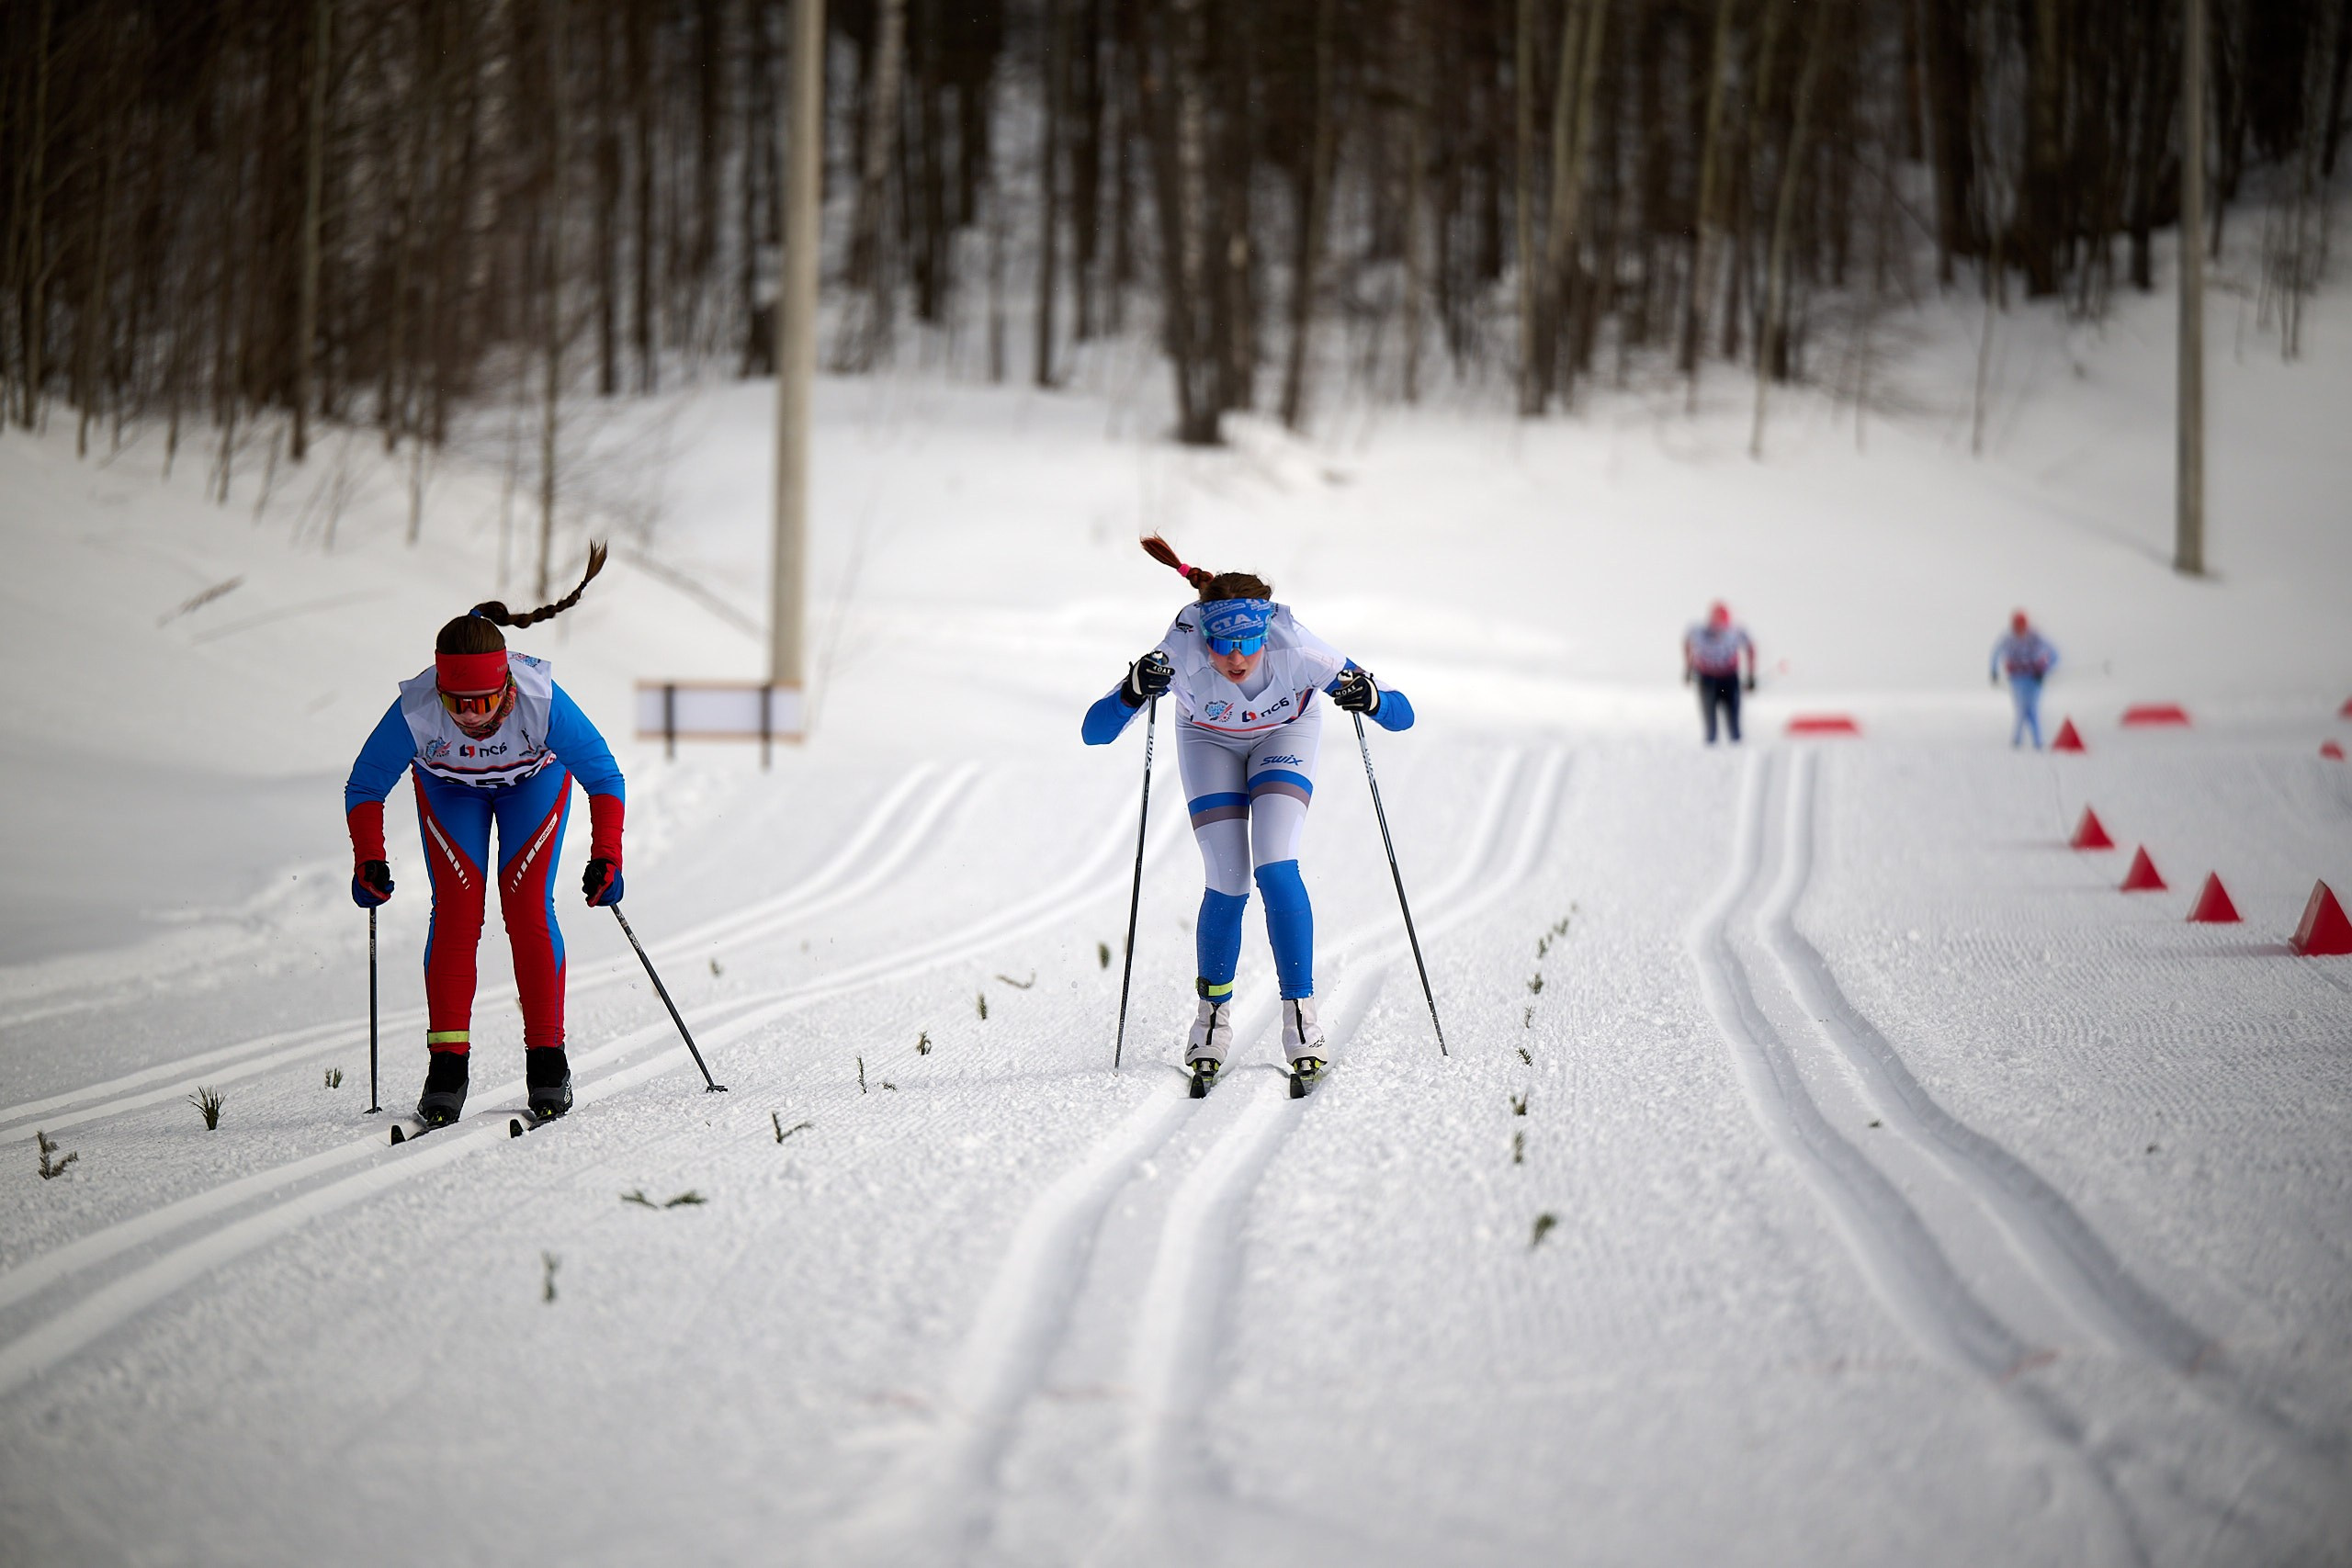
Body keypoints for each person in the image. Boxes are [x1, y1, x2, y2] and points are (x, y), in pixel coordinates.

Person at [1082, 536, 1416, 1097]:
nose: (1236, 659)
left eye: (1249, 644)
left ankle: (1302, 1019)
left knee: (1276, 863)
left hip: (1284, 733)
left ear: (1267, 634)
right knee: (1228, 878)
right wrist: (1133, 691)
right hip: (1208, 738)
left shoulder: (1299, 651)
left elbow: (1402, 717)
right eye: (1223, 646)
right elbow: (1094, 732)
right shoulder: (1179, 651)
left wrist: (1372, 698)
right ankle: (1211, 1020)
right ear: (1204, 638)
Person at [344, 547, 628, 1127]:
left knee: (525, 906)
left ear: (507, 687)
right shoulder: (416, 709)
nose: (471, 718)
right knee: (456, 909)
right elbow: (366, 785)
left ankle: (548, 1059)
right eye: (458, 704)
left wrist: (608, 856)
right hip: (452, 792)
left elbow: (604, 777)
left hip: (532, 785)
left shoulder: (542, 700)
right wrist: (369, 857)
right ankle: (447, 1065)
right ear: (439, 693)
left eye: (485, 702)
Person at [1683, 601, 1757, 744]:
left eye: (1722, 625)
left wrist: (1751, 675)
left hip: (1729, 679)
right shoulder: (1698, 632)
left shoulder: (1736, 632)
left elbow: (1751, 648)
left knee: (1734, 728)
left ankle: (1737, 753)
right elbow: (1687, 643)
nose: (1718, 629)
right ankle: (1710, 756)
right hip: (1707, 680)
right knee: (1711, 729)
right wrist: (1688, 668)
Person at [1989, 610, 2059, 749]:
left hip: (2034, 679)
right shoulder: (2007, 639)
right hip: (2017, 679)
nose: (2019, 629)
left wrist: (2046, 670)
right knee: (2021, 708)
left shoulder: (2036, 637)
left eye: (2021, 626)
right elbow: (1996, 653)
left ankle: (2031, 740)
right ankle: (2024, 740)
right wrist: (1994, 671)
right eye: (2016, 626)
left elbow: (2054, 654)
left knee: (2032, 708)